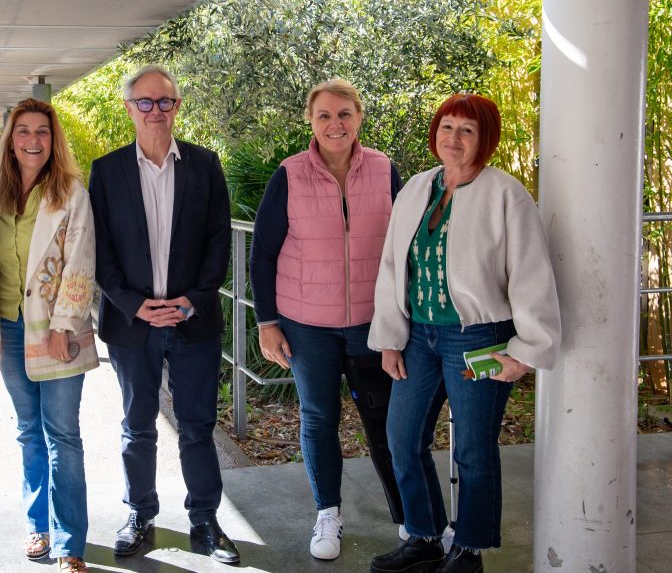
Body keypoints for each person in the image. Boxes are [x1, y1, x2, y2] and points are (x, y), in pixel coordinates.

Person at [368, 93, 561, 573]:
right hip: (418, 336)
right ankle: (425, 535)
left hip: (477, 337)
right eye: (447, 127)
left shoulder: (505, 194)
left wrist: (528, 350)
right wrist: (391, 336)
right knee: (401, 438)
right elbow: (394, 266)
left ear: (484, 140)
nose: (453, 138)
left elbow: (531, 272)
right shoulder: (416, 187)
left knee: (473, 448)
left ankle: (469, 549)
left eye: (467, 130)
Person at [88, 65, 239, 565]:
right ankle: (140, 514)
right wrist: (135, 305)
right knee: (137, 426)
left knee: (197, 426)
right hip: (133, 325)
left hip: (192, 322)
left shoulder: (204, 165)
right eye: (145, 102)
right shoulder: (106, 172)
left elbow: (219, 242)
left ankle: (204, 520)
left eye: (165, 102)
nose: (156, 111)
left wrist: (191, 299)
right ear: (129, 108)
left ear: (177, 107)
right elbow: (99, 250)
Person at [250, 78, 406, 561]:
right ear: (310, 121)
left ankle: (410, 518)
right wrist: (267, 322)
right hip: (305, 325)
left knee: (384, 422)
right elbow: (262, 253)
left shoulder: (384, 169)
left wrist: (404, 318)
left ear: (359, 116)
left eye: (344, 114)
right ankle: (328, 515)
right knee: (319, 418)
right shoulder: (290, 174)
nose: (334, 124)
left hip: (371, 324)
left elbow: (405, 247)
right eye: (324, 116)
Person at [0, 98, 97, 573]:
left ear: (54, 141)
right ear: (10, 141)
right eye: (24, 131)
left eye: (42, 132)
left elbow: (81, 262)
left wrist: (64, 325)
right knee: (29, 432)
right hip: (8, 330)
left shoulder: (71, 192)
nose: (33, 141)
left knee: (62, 435)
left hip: (54, 332)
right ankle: (39, 527)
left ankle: (70, 544)